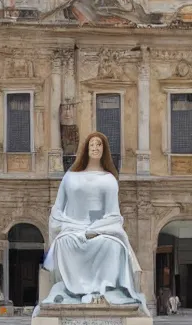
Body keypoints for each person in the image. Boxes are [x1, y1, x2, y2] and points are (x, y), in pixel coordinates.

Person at [40, 131, 147, 314]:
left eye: (99, 145)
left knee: (112, 246)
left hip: (102, 229)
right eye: (92, 145)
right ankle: (76, 291)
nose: (95, 148)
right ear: (86, 149)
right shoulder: (70, 177)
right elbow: (57, 211)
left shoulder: (109, 180)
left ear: (104, 150)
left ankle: (102, 291)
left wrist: (96, 229)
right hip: (72, 227)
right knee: (65, 243)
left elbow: (113, 215)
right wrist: (70, 225)